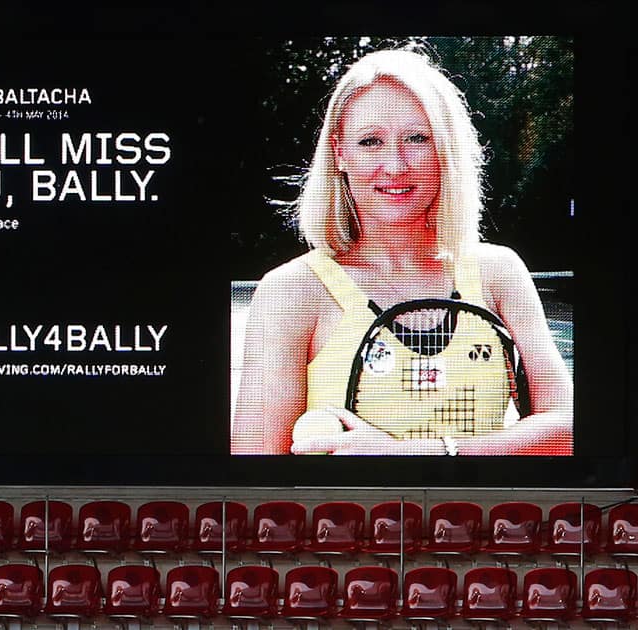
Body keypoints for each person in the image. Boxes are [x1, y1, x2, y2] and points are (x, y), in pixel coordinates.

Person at [231, 49, 572, 456]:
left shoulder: (497, 271)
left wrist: (419, 454)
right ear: (340, 154)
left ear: (445, 151)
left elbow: (570, 429)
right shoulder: (290, 291)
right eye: (370, 141)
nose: (395, 165)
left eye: (417, 139)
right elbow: (254, 470)